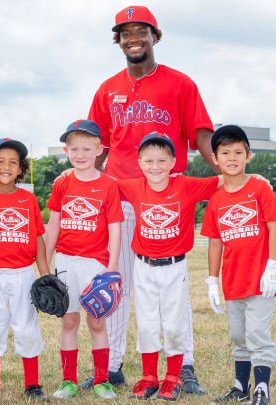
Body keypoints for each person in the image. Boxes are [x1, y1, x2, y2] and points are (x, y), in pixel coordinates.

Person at [84, 4, 215, 393]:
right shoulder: (108, 88)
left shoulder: (179, 83)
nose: (133, 37)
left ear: (155, 37)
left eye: (141, 30)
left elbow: (202, 134)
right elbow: (96, 145)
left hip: (166, 193)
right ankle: (113, 365)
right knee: (117, 280)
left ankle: (184, 365)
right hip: (120, 194)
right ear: (118, 40)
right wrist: (84, 180)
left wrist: (226, 169)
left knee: (171, 285)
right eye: (125, 32)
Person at [116, 133, 224, 401]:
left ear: (174, 162)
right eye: (149, 161)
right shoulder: (133, 187)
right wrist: (70, 173)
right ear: (139, 163)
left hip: (174, 267)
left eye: (162, 160)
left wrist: (254, 178)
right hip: (143, 266)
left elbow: (222, 180)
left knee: (174, 324)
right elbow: (99, 183)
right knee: (147, 323)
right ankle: (149, 376)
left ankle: (173, 377)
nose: (155, 166)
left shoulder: (185, 185)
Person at [201, 125, 276, 405]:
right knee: (238, 335)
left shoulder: (259, 188)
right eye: (225, 153)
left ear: (248, 155)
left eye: (238, 152)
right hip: (233, 281)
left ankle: (261, 388)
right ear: (215, 158)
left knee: (257, 333)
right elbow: (215, 242)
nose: (232, 157)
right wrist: (212, 280)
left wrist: (273, 266)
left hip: (261, 279)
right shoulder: (216, 200)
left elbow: (274, 227)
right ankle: (240, 387)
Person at [45, 120, 122, 400]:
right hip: (66, 260)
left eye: (87, 149)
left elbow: (115, 228)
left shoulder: (108, 185)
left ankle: (102, 380)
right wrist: (44, 265)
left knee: (97, 322)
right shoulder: (63, 183)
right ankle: (68, 380)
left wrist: (112, 269)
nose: (80, 154)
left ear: (99, 150)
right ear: (66, 150)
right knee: (68, 320)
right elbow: (53, 225)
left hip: (96, 264)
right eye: (74, 148)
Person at [0, 138, 50, 402]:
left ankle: (32, 384)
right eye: (0, 161)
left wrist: (46, 274)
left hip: (23, 273)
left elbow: (38, 238)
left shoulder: (28, 200)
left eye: (13, 162)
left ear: (20, 169)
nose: (6, 166)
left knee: (27, 327)